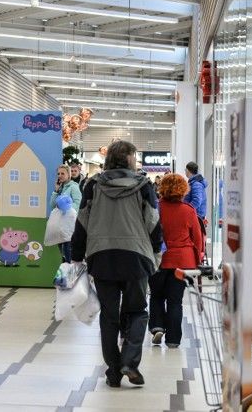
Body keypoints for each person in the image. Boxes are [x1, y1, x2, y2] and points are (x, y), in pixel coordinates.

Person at [72, 140, 163, 388]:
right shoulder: (143, 185)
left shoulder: (92, 185)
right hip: (136, 256)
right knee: (137, 310)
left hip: (102, 258)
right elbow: (153, 223)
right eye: (135, 156)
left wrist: (76, 254)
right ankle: (130, 362)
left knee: (109, 316)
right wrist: (156, 249)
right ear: (130, 159)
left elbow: (82, 223)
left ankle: (113, 371)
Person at [148, 174, 202, 348]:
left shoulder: (155, 208)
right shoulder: (188, 210)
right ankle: (173, 339)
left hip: (158, 259)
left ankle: (157, 327)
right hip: (182, 261)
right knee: (175, 301)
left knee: (156, 296)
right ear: (183, 189)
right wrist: (198, 258)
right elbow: (197, 239)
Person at [50, 164, 81, 263]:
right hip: (60, 226)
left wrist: (66, 209)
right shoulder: (60, 188)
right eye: (58, 173)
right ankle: (65, 275)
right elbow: (53, 204)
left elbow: (78, 203)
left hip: (69, 226)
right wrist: (56, 190)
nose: (59, 175)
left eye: (62, 173)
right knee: (62, 254)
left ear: (69, 174)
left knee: (68, 254)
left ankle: (70, 276)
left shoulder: (73, 187)